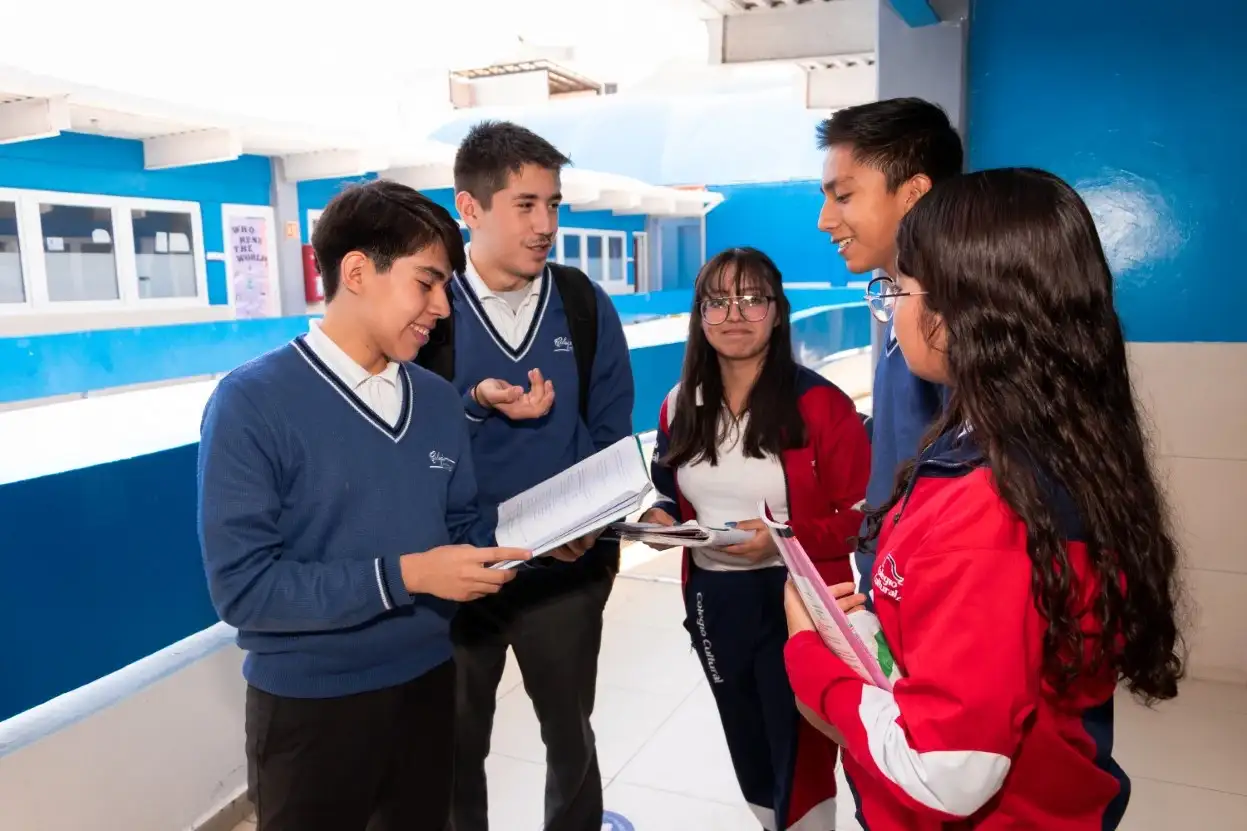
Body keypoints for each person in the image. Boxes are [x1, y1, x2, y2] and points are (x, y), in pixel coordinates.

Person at [783, 168, 1186, 830]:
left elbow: (944, 767)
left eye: (898, 287)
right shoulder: (1050, 441)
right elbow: (964, 650)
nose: (892, 306)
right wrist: (864, 631)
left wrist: (810, 655)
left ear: (956, 316)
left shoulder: (985, 508)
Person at [197, 180, 531, 831]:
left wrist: (540, 540)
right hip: (310, 709)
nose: (441, 306)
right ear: (356, 271)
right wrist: (405, 575)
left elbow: (462, 528)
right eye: (426, 282)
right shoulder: (251, 403)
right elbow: (244, 588)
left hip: (430, 684)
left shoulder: (437, 403)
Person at [427, 120, 635, 831]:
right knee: (453, 749)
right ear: (470, 207)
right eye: (525, 204)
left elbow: (612, 439)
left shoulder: (582, 304)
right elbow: (405, 442)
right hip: (460, 575)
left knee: (569, 737)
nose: (546, 223)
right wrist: (474, 405)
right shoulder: (431, 314)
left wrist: (596, 530)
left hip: (565, 574)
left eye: (553, 203)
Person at [641, 247, 870, 830]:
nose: (734, 314)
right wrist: (661, 518)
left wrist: (781, 541)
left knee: (801, 751)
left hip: (798, 603)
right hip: (716, 602)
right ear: (700, 314)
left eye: (751, 299)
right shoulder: (679, 403)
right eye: (717, 301)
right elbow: (667, 487)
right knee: (746, 740)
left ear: (777, 310)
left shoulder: (820, 406)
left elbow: (867, 514)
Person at [813, 98, 963, 606]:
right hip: (891, 583)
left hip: (926, 598)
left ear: (914, 194)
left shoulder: (952, 330)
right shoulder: (902, 304)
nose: (824, 219)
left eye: (844, 196)